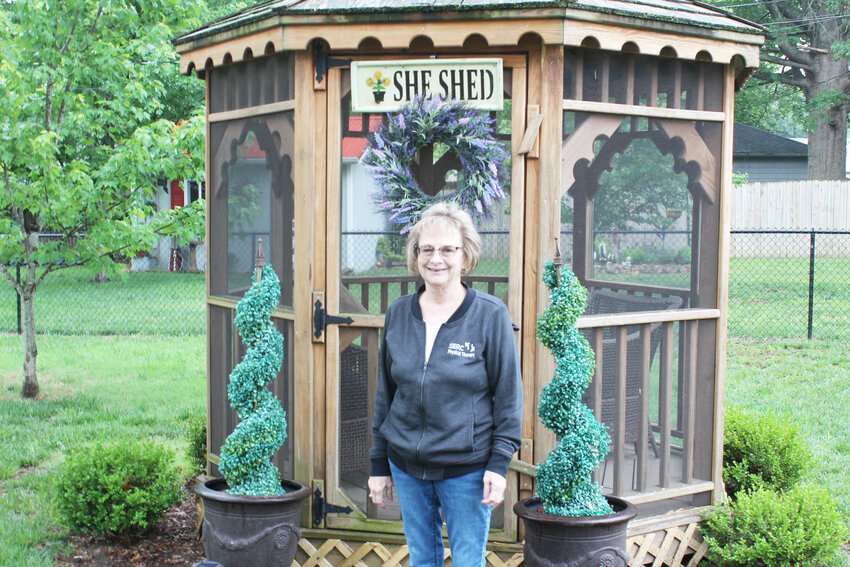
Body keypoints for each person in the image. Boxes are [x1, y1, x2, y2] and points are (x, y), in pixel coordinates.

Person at [368, 202, 523, 567]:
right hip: (407, 468)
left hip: (466, 469)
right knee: (423, 560)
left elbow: (509, 399)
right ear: (416, 255)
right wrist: (378, 465)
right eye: (427, 249)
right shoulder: (397, 313)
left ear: (464, 256)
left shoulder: (489, 315)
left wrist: (499, 466)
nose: (436, 259)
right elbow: (385, 395)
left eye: (447, 249)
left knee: (469, 561)